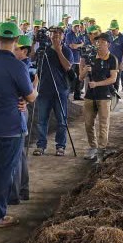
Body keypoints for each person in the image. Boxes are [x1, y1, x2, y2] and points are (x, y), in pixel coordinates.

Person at [0, 22, 37, 228]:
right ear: (16, 40)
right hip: (11, 125)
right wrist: (33, 90)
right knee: (4, 170)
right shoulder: (17, 66)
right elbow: (30, 96)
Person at [80, 31, 120, 161]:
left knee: (103, 124)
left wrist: (97, 84)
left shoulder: (112, 59)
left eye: (102, 42)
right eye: (98, 42)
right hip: (90, 96)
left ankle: (101, 149)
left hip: (104, 96)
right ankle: (93, 147)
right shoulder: (91, 57)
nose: (99, 44)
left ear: (108, 44)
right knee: (88, 123)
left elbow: (113, 79)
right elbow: (80, 77)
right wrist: (85, 70)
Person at [34, 26, 72, 157]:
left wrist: (58, 50)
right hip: (44, 90)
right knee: (42, 121)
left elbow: (67, 67)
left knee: (61, 121)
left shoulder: (66, 50)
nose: (56, 35)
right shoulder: (43, 49)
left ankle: (60, 146)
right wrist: (34, 42)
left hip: (60, 90)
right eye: (53, 33)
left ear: (63, 36)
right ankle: (41, 145)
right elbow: (32, 59)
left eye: (59, 34)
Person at [10, 35, 35, 205]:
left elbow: (31, 91)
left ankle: (17, 191)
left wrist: (25, 99)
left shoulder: (23, 67)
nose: (13, 51)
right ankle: (23, 189)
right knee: (20, 153)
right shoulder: (26, 65)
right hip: (22, 108)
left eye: (16, 49)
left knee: (17, 154)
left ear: (24, 51)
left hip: (20, 110)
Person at [65, 21, 88, 100]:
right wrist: (80, 45)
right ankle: (67, 95)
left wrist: (79, 45)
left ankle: (77, 95)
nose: (77, 28)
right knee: (69, 78)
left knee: (79, 78)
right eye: (75, 26)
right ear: (72, 27)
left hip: (78, 59)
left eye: (78, 26)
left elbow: (82, 45)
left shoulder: (80, 35)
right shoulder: (69, 35)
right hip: (71, 60)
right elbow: (72, 46)